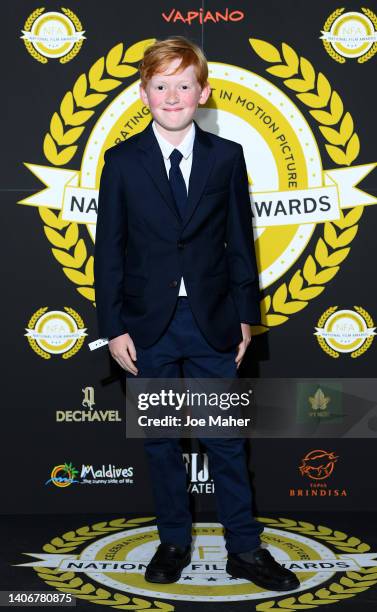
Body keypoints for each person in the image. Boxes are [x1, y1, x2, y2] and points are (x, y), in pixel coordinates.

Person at [94, 35, 299, 592]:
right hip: (146, 326)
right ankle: (173, 541)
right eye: (161, 85)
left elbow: (239, 240)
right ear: (144, 94)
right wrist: (113, 327)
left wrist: (243, 318)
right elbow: (108, 250)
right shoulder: (121, 162)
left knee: (225, 440)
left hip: (212, 323)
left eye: (184, 84)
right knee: (161, 441)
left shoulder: (226, 157)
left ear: (202, 92)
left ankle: (245, 550)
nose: (173, 95)